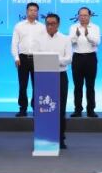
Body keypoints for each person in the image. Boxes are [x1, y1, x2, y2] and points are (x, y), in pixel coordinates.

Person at [31, 13, 73, 148]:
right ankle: (43, 136)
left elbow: (68, 59)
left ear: (58, 24)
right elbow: (35, 56)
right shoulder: (38, 39)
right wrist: (52, 60)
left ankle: (60, 138)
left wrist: (53, 60)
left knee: (60, 107)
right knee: (43, 107)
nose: (50, 26)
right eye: (48, 24)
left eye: (53, 24)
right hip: (43, 77)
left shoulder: (65, 39)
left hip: (60, 76)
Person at [11, 2, 44, 117]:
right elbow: (14, 43)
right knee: (22, 85)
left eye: (35, 10)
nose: (33, 12)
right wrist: (16, 57)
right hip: (23, 58)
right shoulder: (19, 26)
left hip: (37, 58)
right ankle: (23, 108)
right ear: (26, 11)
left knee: (37, 85)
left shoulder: (42, 27)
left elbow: (44, 44)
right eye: (31, 10)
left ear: (37, 12)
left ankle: (36, 107)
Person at [68, 6, 100, 117]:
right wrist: (76, 36)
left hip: (91, 57)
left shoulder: (95, 27)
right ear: (78, 16)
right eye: (81, 15)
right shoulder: (73, 27)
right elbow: (70, 42)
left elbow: (97, 42)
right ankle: (78, 109)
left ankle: (91, 110)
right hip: (77, 57)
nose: (83, 17)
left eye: (85, 15)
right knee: (78, 86)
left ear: (90, 16)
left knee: (90, 85)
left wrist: (88, 35)